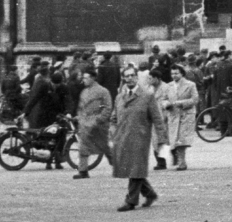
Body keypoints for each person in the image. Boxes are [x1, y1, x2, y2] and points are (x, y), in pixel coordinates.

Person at [110, 67, 165, 211]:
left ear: (136, 77)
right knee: (133, 169)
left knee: (135, 168)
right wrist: (113, 133)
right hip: (123, 138)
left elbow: (157, 118)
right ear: (123, 78)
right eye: (126, 76)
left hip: (140, 138)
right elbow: (114, 118)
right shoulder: (119, 97)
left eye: (132, 76)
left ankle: (131, 201)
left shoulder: (147, 96)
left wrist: (162, 138)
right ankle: (150, 193)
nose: (129, 78)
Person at [158, 64, 198, 170]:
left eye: (176, 73)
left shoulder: (190, 85)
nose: (174, 75)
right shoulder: (168, 86)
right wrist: (165, 104)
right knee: (173, 139)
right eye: (172, 73)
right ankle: (176, 160)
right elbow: (163, 98)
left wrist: (181, 103)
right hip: (173, 115)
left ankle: (182, 162)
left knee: (181, 139)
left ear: (182, 73)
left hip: (186, 115)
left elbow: (195, 99)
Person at [73, 70, 113, 178]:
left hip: (98, 124)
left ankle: (115, 162)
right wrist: (80, 118)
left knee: (104, 146)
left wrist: (99, 120)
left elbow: (108, 107)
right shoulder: (84, 92)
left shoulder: (103, 91)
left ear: (92, 78)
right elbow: (81, 108)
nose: (83, 80)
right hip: (86, 123)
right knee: (83, 146)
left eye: (86, 78)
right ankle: (83, 171)